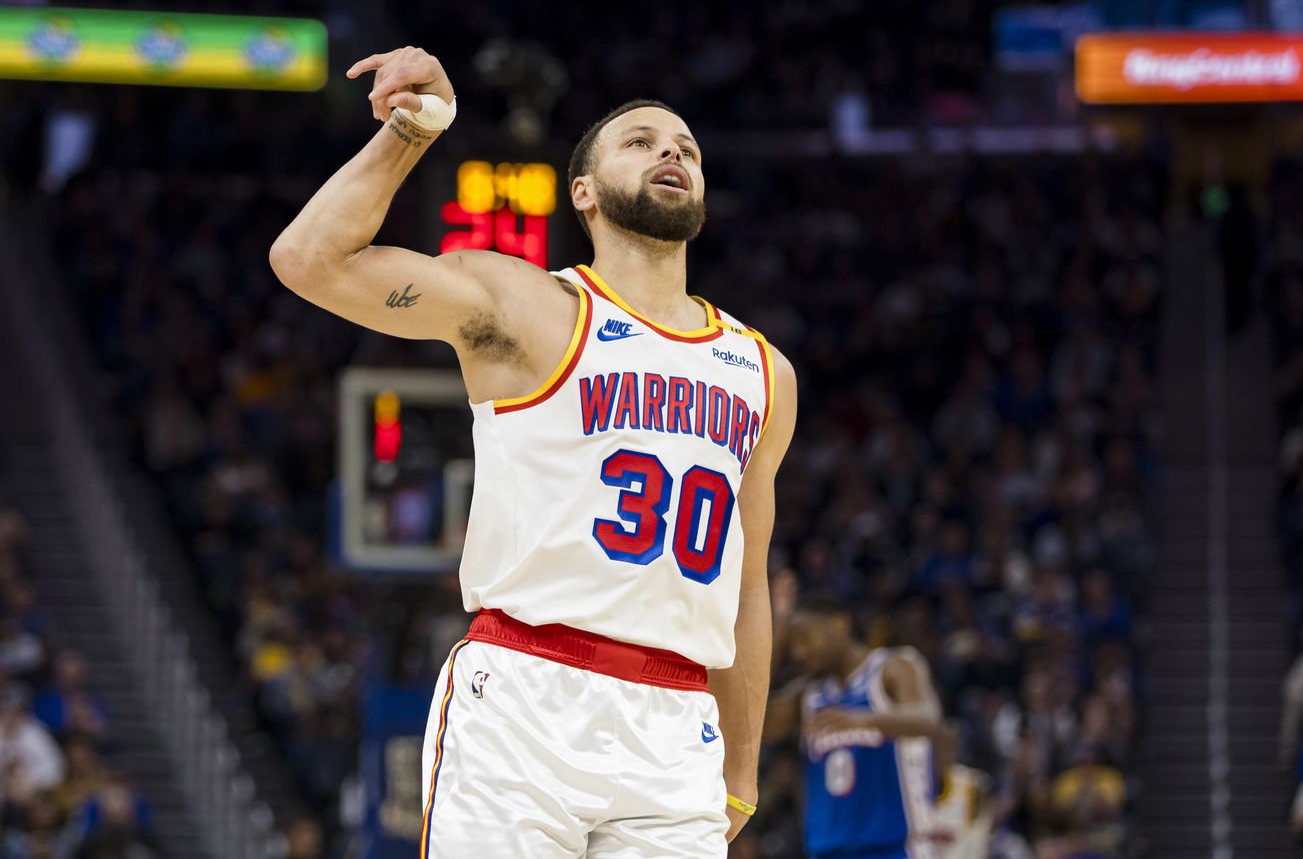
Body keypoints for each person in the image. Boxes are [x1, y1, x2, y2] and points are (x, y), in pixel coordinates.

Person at [269, 46, 796, 857]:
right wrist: (414, 129)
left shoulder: (763, 370)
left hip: (676, 719)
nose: (671, 153)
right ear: (581, 192)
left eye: (686, 147)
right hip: (525, 689)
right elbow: (308, 261)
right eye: (642, 140)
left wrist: (744, 765)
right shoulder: (526, 305)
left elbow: (747, 579)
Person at [765, 595, 948, 859]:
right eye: (792, 644)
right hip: (828, 851)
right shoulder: (810, 696)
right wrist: (777, 628)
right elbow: (756, 722)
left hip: (895, 848)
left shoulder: (892, 668)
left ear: (840, 625)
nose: (799, 652)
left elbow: (929, 719)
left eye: (806, 638)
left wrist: (868, 720)